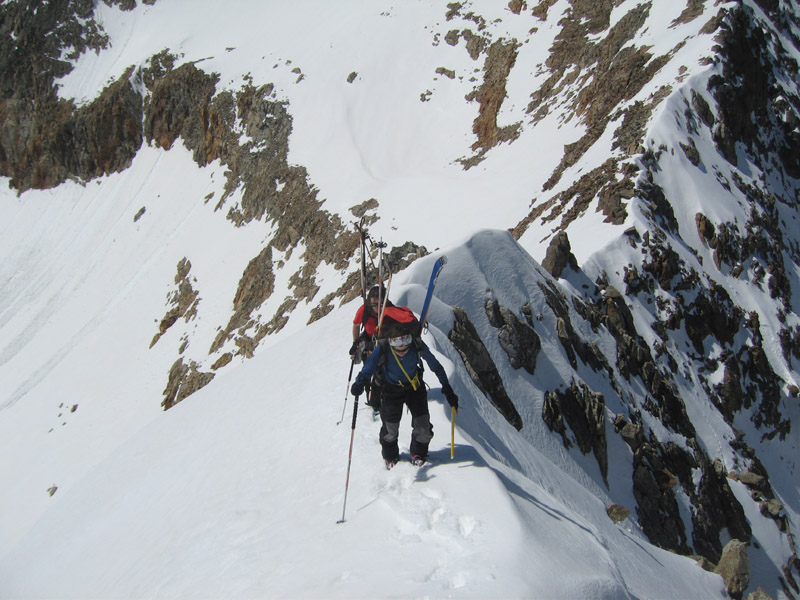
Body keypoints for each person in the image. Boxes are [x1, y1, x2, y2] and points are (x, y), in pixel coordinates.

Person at [350, 324, 459, 469]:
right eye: (398, 348)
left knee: (423, 426)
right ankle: (390, 456)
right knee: (390, 429)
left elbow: (436, 366)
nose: (402, 351)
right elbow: (368, 367)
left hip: (415, 388)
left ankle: (418, 454)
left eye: (405, 347)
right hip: (391, 390)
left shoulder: (417, 345)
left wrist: (447, 388)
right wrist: (359, 382)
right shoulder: (383, 348)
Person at [349, 285, 391, 364]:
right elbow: (356, 325)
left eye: (380, 304)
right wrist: (356, 343)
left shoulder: (389, 309)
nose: (377, 308)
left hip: (386, 341)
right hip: (369, 340)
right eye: (374, 305)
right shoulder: (364, 310)